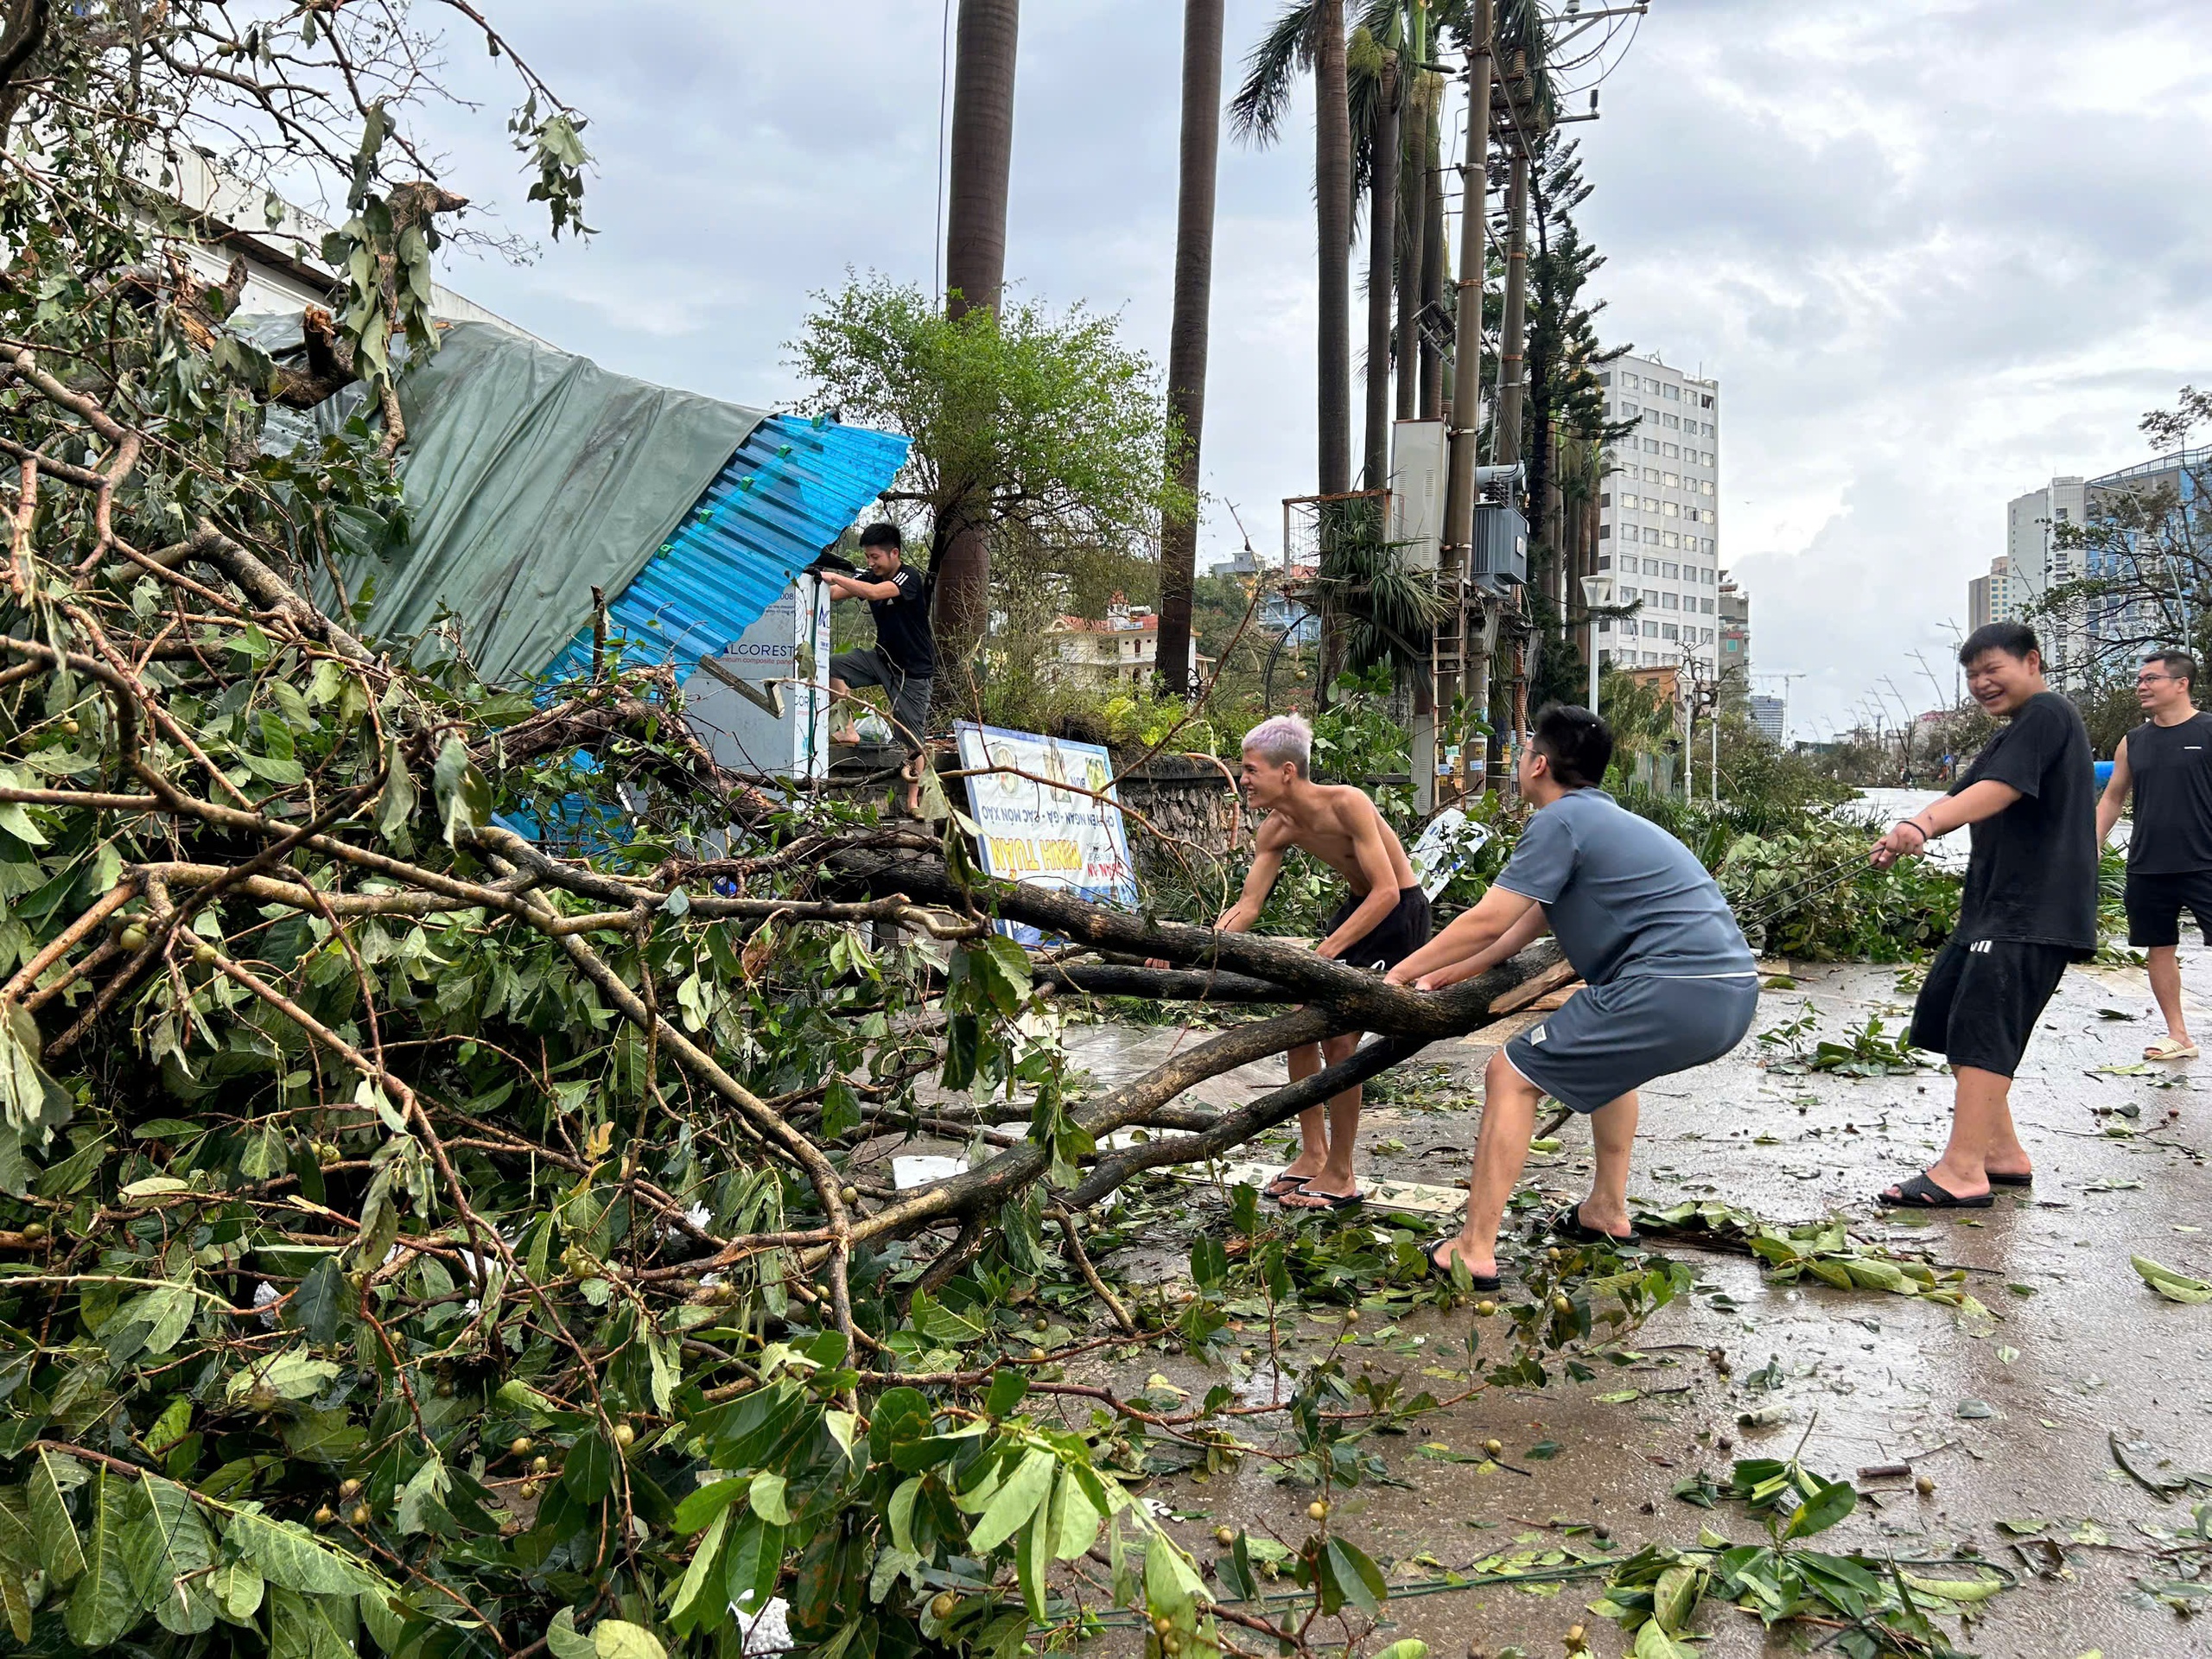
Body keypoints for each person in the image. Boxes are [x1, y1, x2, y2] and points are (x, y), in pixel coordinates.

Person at [1387, 704, 1758, 1291]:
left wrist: (1397, 976)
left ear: (1538, 764)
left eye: (1522, 752)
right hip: (1728, 996)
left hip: (1668, 987)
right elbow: (1528, 920)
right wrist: (1454, 971)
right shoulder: (1600, 821)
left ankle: (1474, 1249)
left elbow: (1488, 919)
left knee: (1509, 1074)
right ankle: (1606, 1213)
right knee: (1610, 1068)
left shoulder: (1558, 822)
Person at [1869, 620, 2095, 1207]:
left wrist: (1922, 824)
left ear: (2032, 662)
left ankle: (1962, 1171)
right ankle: (2001, 1152)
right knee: (1950, 1019)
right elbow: (1964, 794)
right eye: (1972, 675)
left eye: (1992, 669)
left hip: (2030, 911)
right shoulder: (2017, 731)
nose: (1981, 683)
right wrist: (1905, 832)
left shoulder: (2048, 714)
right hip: (1993, 910)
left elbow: (1999, 792)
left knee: (1983, 1033)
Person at [1205, 714, 1430, 1212]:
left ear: (1287, 771)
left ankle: (1343, 1173)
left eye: (1250, 770)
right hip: (1357, 910)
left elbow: (1388, 890)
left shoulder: (1347, 803)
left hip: (1399, 913)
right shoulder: (1276, 828)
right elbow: (1249, 906)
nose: (1243, 780)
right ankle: (1313, 1153)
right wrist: (1203, 949)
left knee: (1339, 1038)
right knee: (1303, 1028)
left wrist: (1325, 953)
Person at [2095, 649, 2212, 1060]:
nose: (2141, 686)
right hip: (2148, 865)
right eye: (2140, 679)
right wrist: (2091, 845)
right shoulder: (2134, 741)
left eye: (2151, 679)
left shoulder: (2209, 730)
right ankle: (2178, 1034)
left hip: (2206, 862)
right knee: (2158, 947)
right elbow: (2112, 798)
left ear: (2181, 684)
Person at [825, 523, 936, 812]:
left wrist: (835, 575)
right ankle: (847, 729)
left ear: (894, 553)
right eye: (867, 558)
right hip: (881, 658)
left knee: (912, 738)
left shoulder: (908, 577)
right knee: (832, 666)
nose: (870, 563)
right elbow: (836, 594)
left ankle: (914, 801)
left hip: (912, 672)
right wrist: (815, 582)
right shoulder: (869, 576)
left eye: (875, 557)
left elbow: (874, 593)